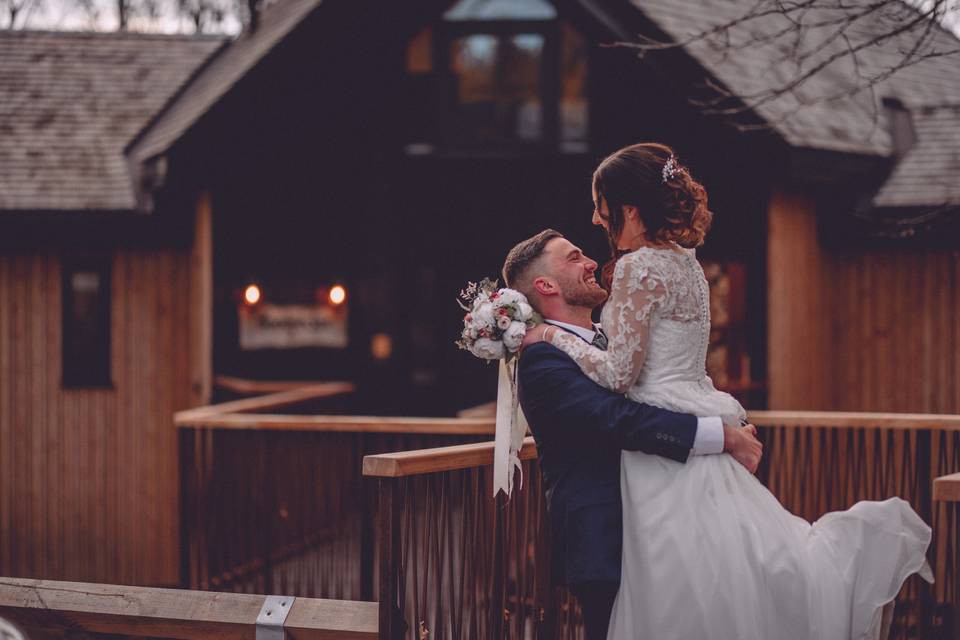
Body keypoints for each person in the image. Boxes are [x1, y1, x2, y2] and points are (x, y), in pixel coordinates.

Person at [522, 142, 932, 640]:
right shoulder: (687, 264)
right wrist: (720, 431)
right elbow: (634, 396)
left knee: (691, 595)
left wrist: (553, 335)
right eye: (572, 255)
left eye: (601, 206)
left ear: (627, 208)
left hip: (667, 465)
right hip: (673, 449)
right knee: (724, 583)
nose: (596, 219)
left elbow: (617, 379)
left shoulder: (632, 271)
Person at [504, 229, 763, 640]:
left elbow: (658, 396)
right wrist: (721, 437)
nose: (591, 262)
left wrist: (720, 418)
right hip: (607, 535)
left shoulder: (610, 345)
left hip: (661, 522)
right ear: (545, 285)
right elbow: (616, 419)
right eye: (574, 257)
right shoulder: (540, 358)